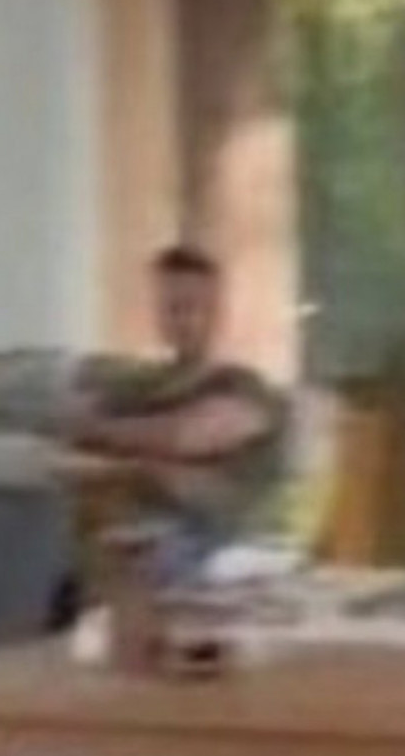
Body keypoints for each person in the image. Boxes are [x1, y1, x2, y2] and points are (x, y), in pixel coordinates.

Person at [69, 246, 285, 577]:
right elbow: (74, 424)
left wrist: (111, 440)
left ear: (217, 313)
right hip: (119, 522)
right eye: (171, 308)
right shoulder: (139, 385)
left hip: (208, 537)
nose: (183, 320)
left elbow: (185, 436)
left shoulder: (242, 385)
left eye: (192, 307)